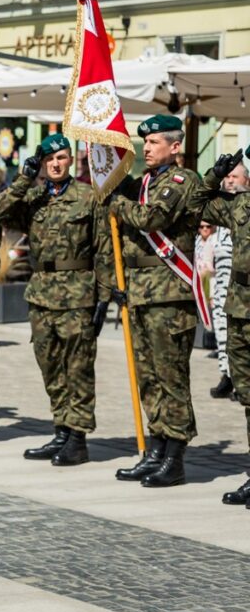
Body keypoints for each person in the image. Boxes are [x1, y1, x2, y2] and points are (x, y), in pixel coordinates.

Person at [0, 134, 112, 465]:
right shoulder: (32, 197)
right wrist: (22, 179)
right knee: (50, 367)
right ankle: (60, 429)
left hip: (78, 294)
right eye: (49, 160)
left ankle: (78, 437)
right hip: (42, 293)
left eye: (61, 158)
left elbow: (103, 248)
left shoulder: (89, 197)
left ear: (71, 160)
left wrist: (104, 297)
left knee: (78, 369)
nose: (56, 164)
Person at [111, 115, 205, 488]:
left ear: (175, 146)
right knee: (147, 378)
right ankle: (156, 447)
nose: (146, 148)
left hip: (169, 294)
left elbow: (152, 219)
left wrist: (117, 204)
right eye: (144, 143)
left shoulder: (183, 181)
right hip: (141, 293)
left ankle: (176, 456)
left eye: (154, 143)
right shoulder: (143, 182)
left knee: (171, 378)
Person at [197, 147, 250, 506]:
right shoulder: (241, 206)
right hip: (241, 309)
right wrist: (214, 175)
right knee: (248, 399)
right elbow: (195, 206)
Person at [208, 162, 248, 401]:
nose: (230, 180)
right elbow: (198, 203)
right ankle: (227, 373)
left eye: (235, 176)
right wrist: (214, 177)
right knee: (222, 327)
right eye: (228, 176)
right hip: (224, 277)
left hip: (240, 276)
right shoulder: (227, 206)